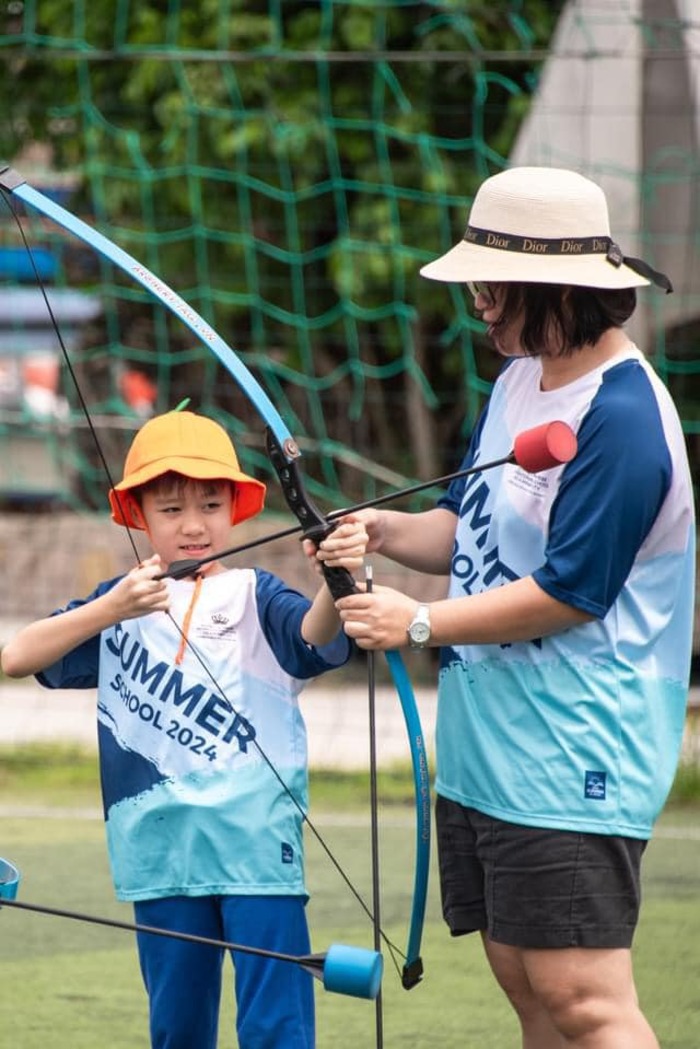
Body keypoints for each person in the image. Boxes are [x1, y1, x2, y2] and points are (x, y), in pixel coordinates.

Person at [330, 167, 696, 1048]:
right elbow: (469, 526)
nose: (482, 306)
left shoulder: (626, 416)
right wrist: (382, 530)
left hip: (577, 747)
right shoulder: (518, 382)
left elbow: (570, 592)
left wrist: (415, 621)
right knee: (524, 979)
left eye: (494, 288)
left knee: (582, 996)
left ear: (554, 289)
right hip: (492, 742)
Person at [1, 408, 367, 1049]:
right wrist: (110, 607)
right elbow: (17, 657)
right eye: (170, 510)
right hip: (160, 858)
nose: (194, 525)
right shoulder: (123, 601)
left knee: (277, 1028)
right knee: (177, 1031)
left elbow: (314, 639)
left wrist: (335, 579)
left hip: (256, 853)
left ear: (236, 508)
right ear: (138, 515)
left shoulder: (258, 592)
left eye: (209, 504)